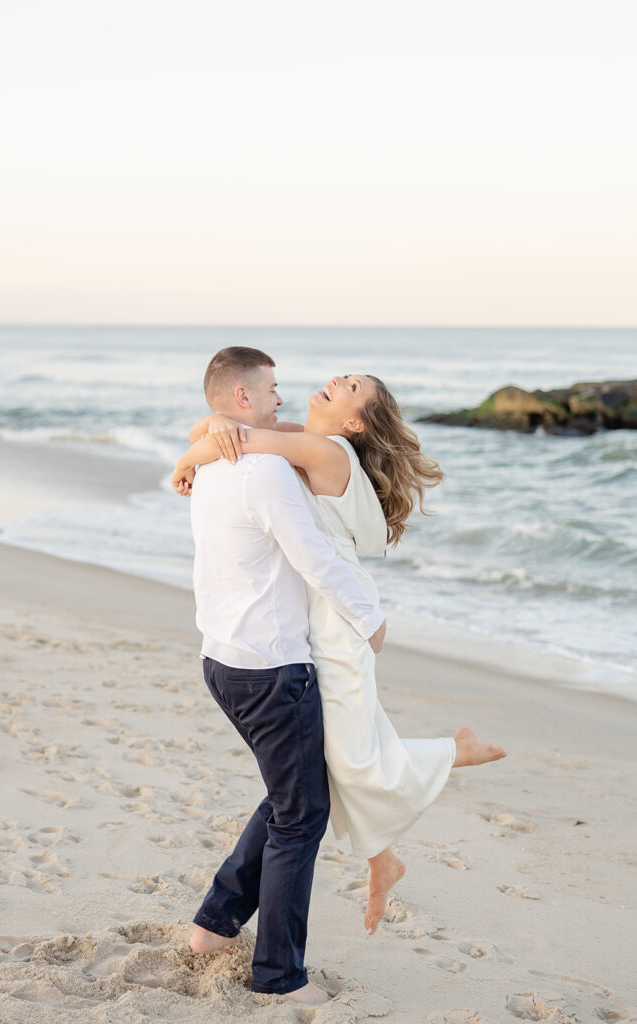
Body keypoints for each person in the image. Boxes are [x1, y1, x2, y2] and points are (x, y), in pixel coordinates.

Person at [174, 364, 507, 939]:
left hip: (340, 621)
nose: (337, 381)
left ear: (354, 422)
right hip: (316, 625)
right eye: (345, 376)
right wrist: (215, 421)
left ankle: (455, 751)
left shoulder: (327, 454)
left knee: (348, 758)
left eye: (352, 388)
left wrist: (191, 456)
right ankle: (381, 860)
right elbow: (234, 432)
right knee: (320, 769)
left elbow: (242, 439)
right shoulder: (313, 441)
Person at [182, 347, 387, 1007]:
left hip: (222, 658)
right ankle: (278, 975)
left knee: (287, 796)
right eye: (270, 389)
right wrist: (369, 620)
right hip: (271, 670)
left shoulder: (219, 464)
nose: (279, 397)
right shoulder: (264, 469)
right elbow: (314, 558)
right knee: (302, 813)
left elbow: (207, 446)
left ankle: (214, 926)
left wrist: (192, 450)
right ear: (243, 400)